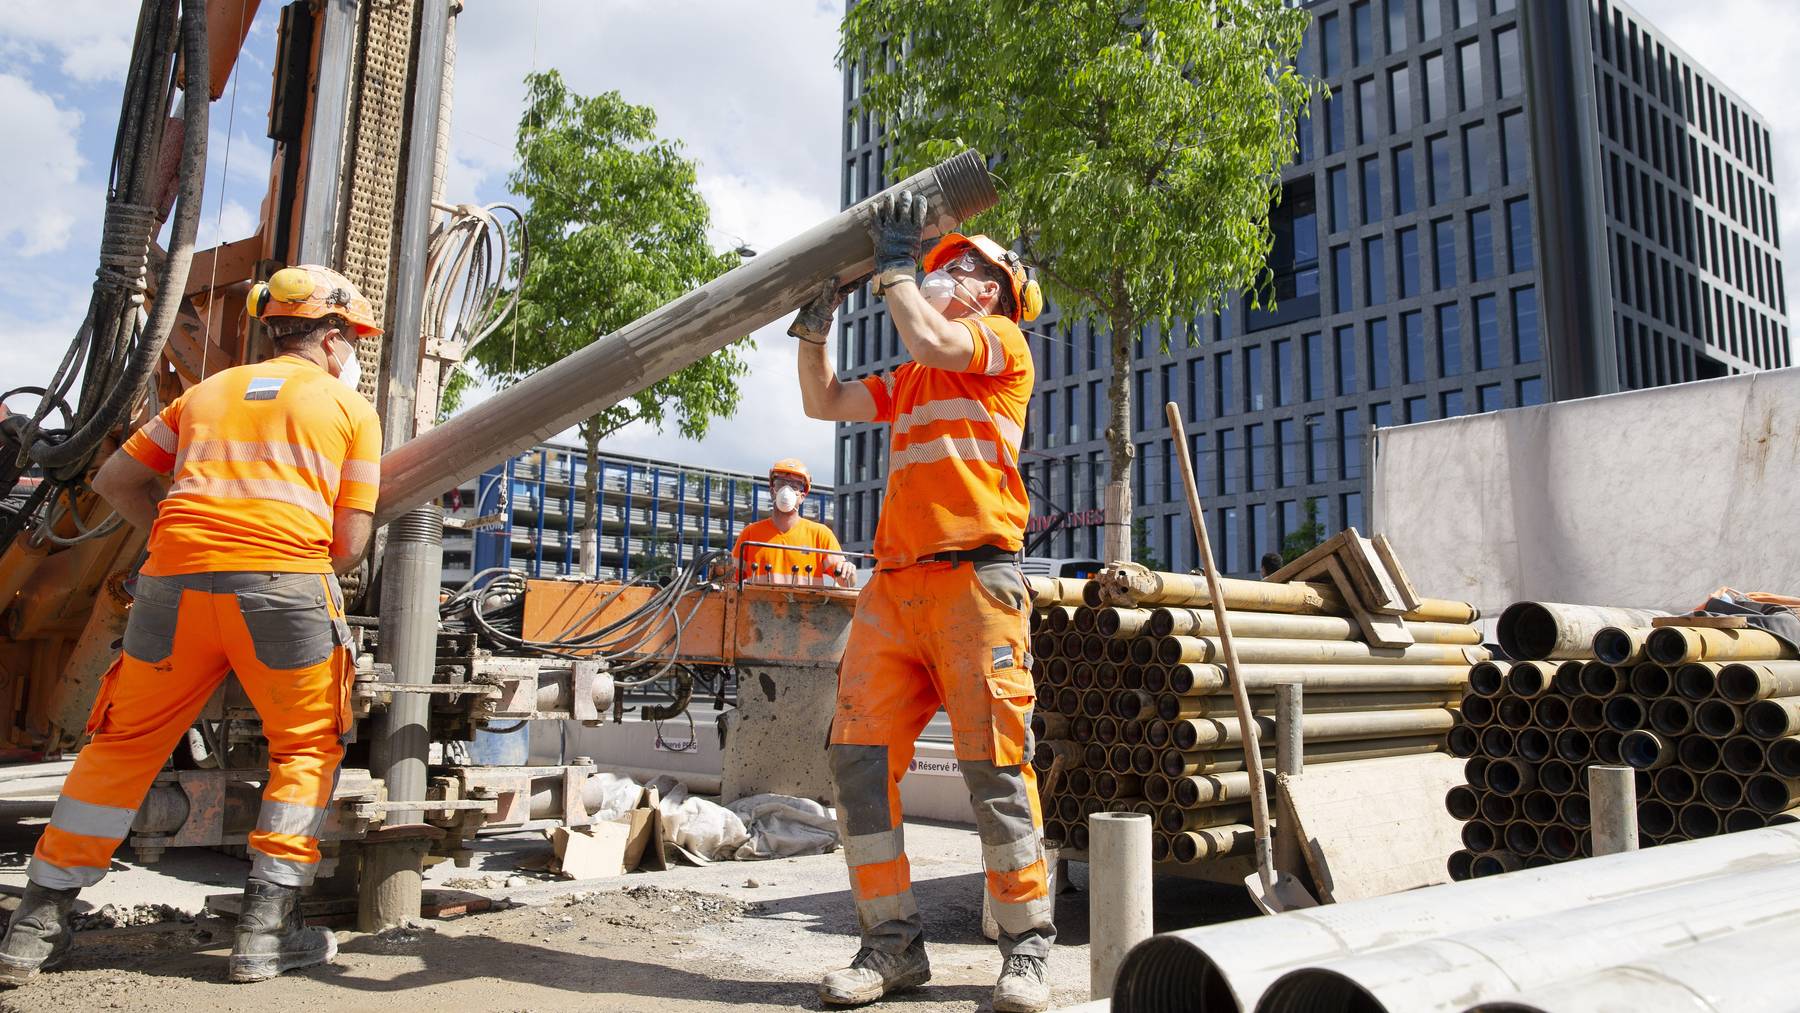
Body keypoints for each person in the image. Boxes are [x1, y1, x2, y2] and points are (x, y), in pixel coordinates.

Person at [0, 266, 383, 986]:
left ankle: (35, 926)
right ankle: (268, 932)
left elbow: (115, 480)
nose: (353, 351)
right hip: (283, 588)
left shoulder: (203, 394)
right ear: (330, 339)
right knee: (303, 747)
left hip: (172, 589)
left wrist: (176, 542)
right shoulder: (346, 407)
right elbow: (350, 545)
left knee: (121, 745)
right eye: (352, 338)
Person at [791, 191, 1054, 1013]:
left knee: (994, 767)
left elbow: (933, 332)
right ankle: (891, 950)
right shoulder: (909, 378)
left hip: (979, 582)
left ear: (994, 294)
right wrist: (812, 329)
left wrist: (896, 265)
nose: (949, 274)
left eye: (963, 267)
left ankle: (1027, 950)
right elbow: (822, 401)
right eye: (943, 265)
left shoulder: (1000, 344)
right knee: (859, 763)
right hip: (896, 587)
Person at [730, 458, 854, 585]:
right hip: (759, 605)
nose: (786, 491)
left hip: (805, 605)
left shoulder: (820, 535)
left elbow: (847, 582)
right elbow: (729, 579)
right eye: (781, 484)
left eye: (794, 486)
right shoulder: (750, 534)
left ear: (802, 496)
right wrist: (719, 570)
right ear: (772, 491)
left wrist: (848, 570)